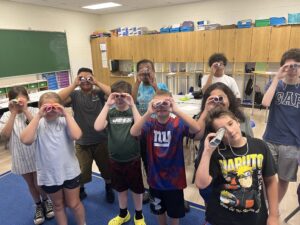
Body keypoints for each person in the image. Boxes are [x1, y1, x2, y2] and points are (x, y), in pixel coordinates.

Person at [195, 109, 279, 225]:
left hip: (255, 219)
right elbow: (201, 183)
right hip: (222, 218)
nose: (230, 131)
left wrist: (274, 215)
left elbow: (271, 181)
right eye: (222, 130)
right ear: (217, 135)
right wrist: (208, 151)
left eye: (230, 123)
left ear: (237, 122)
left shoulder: (259, 146)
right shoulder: (216, 153)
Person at [130, 90, 201, 225]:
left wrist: (176, 110)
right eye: (158, 103)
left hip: (174, 181)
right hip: (155, 180)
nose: (162, 106)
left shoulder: (178, 123)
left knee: (174, 214)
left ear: (171, 104)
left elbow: (196, 128)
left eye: (165, 103)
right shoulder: (149, 123)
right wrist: (148, 112)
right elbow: (133, 132)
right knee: (159, 211)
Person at [20, 92, 86, 225]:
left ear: (60, 107)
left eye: (54, 107)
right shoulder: (38, 124)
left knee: (74, 203)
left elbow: (77, 135)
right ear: (40, 108)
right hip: (49, 174)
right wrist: (38, 115)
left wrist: (65, 113)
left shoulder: (65, 121)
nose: (50, 110)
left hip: (70, 172)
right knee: (57, 205)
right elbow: (25, 140)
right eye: (46, 107)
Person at [58, 67, 114, 203]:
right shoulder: (75, 95)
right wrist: (74, 84)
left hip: (101, 139)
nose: (85, 81)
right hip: (82, 142)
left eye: (88, 78)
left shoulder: (99, 93)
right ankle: (81, 189)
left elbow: (114, 93)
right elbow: (58, 98)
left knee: (106, 168)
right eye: (81, 78)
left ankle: (108, 187)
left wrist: (97, 82)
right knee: (81, 171)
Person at [0, 86, 54, 225]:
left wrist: (25, 110)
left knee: (39, 183)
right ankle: (38, 205)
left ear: (28, 99)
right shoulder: (6, 116)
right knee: (30, 183)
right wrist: (12, 113)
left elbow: (42, 128)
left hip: (36, 154)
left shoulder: (36, 111)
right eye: (15, 100)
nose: (19, 103)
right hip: (20, 156)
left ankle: (46, 201)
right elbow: (5, 136)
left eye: (21, 99)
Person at [94, 81, 146, 225]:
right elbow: (98, 126)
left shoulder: (133, 112)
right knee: (120, 189)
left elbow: (140, 130)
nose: (120, 99)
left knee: (136, 190)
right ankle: (124, 214)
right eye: (116, 96)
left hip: (132, 159)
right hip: (115, 159)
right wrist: (107, 104)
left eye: (123, 96)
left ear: (129, 96)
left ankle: (139, 215)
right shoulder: (110, 112)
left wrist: (132, 104)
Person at [194, 82, 253, 205]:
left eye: (221, 98)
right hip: (209, 170)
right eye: (213, 99)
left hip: (234, 171)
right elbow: (196, 136)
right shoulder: (205, 118)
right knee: (210, 201)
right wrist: (206, 110)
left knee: (234, 202)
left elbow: (250, 143)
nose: (217, 102)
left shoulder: (241, 119)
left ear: (230, 99)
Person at [262, 48, 300, 204]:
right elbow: (265, 103)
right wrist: (277, 78)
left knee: (284, 179)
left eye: (296, 65)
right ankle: (265, 205)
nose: (292, 69)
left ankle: (273, 208)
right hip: (270, 139)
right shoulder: (274, 84)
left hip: (292, 143)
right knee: (265, 176)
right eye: (288, 66)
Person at [132, 59, 169, 205]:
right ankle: (151, 189)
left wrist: (154, 83)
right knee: (146, 161)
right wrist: (137, 81)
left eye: (148, 69)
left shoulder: (160, 85)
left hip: (159, 128)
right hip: (142, 129)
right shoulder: (138, 86)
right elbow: (132, 101)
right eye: (142, 70)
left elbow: (166, 101)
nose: (145, 72)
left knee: (158, 160)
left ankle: (161, 188)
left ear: (153, 71)